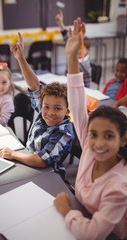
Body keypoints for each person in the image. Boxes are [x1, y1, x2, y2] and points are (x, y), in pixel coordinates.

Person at [54, 17, 127, 240]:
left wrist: (67, 210)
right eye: (93, 134)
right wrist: (71, 58)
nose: (98, 142)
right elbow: (76, 102)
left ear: (123, 140)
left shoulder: (118, 187)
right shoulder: (88, 144)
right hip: (82, 215)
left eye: (109, 136)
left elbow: (93, 234)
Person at [0, 32, 74, 179]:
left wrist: (13, 154)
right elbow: (34, 86)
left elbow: (41, 161)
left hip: (49, 176)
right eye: (46, 106)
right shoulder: (44, 112)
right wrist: (20, 58)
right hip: (28, 164)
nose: (50, 112)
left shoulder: (65, 132)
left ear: (67, 109)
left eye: (57, 108)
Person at [55, 9, 91, 88]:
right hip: (69, 86)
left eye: (80, 47)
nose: (77, 49)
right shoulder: (75, 56)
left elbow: (75, 64)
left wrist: (71, 57)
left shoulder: (84, 63)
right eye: (76, 47)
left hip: (83, 93)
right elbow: (66, 39)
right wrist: (60, 23)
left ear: (88, 50)